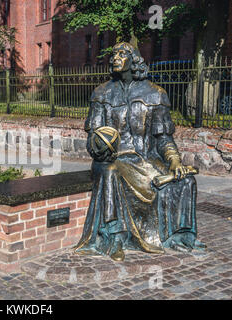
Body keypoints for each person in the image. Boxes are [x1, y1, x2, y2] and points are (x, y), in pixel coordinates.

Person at [74, 42, 205, 261]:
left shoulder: (156, 94)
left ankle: (178, 237)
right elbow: (93, 137)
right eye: (114, 53)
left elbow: (164, 138)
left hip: (145, 160)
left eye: (122, 54)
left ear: (134, 60)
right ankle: (114, 236)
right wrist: (99, 149)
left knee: (185, 182)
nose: (115, 57)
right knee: (111, 172)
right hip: (112, 159)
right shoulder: (101, 94)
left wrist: (174, 161)